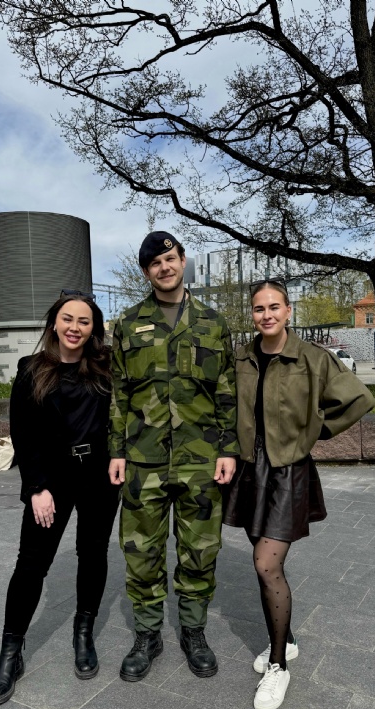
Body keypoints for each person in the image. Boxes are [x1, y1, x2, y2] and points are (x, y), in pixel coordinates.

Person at [224, 279, 375, 709]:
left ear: (288, 310)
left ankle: (278, 666)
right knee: (262, 560)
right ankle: (285, 639)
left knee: (266, 564)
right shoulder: (241, 358)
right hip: (249, 470)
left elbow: (359, 399)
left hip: (288, 471)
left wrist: (315, 431)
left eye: (274, 306)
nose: (266, 314)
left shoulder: (312, 357)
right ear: (252, 314)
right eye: (259, 308)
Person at [109, 231, 239, 681]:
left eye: (170, 259)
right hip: (142, 459)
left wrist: (228, 448)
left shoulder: (213, 323)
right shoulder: (128, 324)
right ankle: (147, 634)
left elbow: (227, 391)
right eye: (154, 263)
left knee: (199, 550)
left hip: (200, 458)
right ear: (146, 272)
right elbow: (118, 393)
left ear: (183, 261)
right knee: (141, 551)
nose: (163, 268)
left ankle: (193, 631)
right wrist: (116, 451)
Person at [0, 292, 120, 705]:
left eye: (84, 321)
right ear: (54, 323)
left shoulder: (106, 366)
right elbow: (23, 434)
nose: (75, 327)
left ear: (94, 328)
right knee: (31, 565)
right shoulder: (31, 369)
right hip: (52, 479)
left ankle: (84, 633)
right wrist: (37, 488)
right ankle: (11, 652)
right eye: (68, 318)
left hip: (99, 476)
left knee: (92, 554)